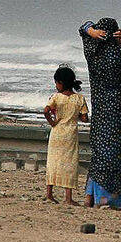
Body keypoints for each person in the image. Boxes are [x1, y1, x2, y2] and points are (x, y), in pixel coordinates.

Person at [79, 18, 121, 208]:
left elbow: (82, 29)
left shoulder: (92, 53)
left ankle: (90, 196)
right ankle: (110, 198)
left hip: (100, 108)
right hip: (119, 108)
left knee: (100, 151)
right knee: (117, 152)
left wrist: (90, 30)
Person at [44, 65, 89, 206]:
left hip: (57, 133)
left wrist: (52, 122)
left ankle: (49, 194)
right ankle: (68, 198)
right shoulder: (79, 99)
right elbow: (84, 119)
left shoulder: (56, 97)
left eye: (56, 83)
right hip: (70, 134)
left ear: (61, 83)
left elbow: (46, 110)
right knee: (70, 164)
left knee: (52, 162)